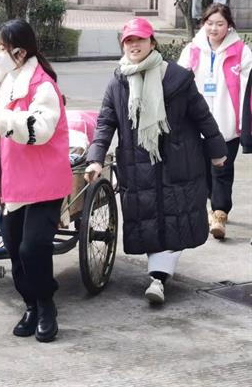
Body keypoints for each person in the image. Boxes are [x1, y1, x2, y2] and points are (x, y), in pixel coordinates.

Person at [85, 17, 227, 304]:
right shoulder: (118, 82)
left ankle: (158, 278)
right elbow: (105, 123)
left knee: (176, 221)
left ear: (152, 42)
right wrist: (96, 158)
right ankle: (159, 276)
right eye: (128, 40)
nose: (134, 45)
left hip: (179, 163)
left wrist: (217, 150)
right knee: (150, 220)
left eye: (139, 39)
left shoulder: (178, 78)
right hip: (138, 165)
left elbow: (202, 116)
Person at [0, 19, 72, 342]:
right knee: (15, 249)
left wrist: (1, 122)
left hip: (44, 181)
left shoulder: (42, 85)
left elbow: (40, 129)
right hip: (12, 180)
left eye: (2, 47)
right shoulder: (1, 81)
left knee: (32, 248)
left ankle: (46, 306)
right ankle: (30, 304)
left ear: (20, 51)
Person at [177, 3, 252, 239]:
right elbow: (178, 81)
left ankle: (220, 212)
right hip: (197, 124)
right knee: (202, 171)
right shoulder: (192, 49)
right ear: (203, 24)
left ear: (229, 25)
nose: (214, 28)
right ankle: (211, 205)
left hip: (227, 123)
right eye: (210, 23)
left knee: (223, 169)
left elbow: (248, 87)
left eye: (220, 24)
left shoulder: (241, 51)